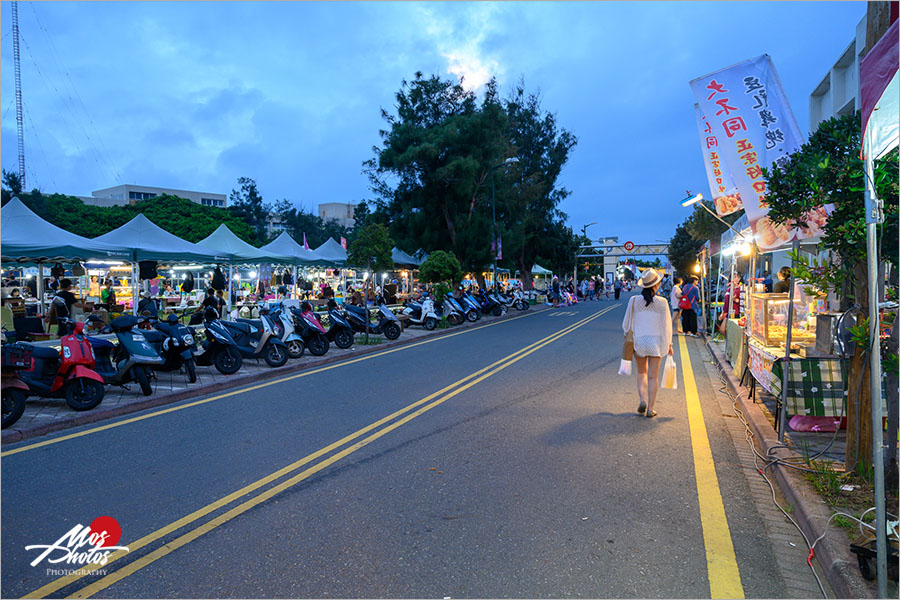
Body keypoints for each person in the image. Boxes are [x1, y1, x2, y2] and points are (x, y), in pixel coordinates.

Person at [622, 269, 672, 418]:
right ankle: (650, 409)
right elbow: (667, 325)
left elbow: (626, 323)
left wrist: (627, 334)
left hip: (640, 342)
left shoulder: (633, 301)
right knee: (653, 376)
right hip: (656, 343)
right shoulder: (662, 302)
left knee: (642, 372)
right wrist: (669, 344)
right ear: (656, 285)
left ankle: (642, 400)